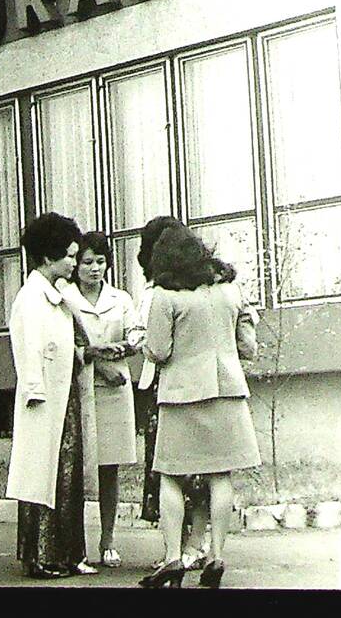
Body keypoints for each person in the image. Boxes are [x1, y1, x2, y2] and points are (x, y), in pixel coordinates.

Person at [138, 225, 261, 589]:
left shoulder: (165, 296)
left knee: (171, 478)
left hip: (181, 395)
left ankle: (173, 558)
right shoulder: (228, 290)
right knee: (220, 477)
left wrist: (144, 345)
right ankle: (216, 556)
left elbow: (159, 351)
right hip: (227, 390)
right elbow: (247, 344)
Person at [6, 213, 99, 579]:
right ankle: (40, 556)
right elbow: (27, 349)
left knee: (68, 475)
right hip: (43, 401)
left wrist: (94, 352)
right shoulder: (31, 298)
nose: (75, 263)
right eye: (71, 256)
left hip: (64, 397)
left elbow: (66, 345)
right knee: (43, 476)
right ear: (48, 257)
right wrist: (33, 390)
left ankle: (68, 552)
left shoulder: (56, 297)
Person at [130, 216, 211, 571]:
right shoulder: (150, 293)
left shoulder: (200, 290)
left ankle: (196, 542)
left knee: (195, 467)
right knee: (167, 469)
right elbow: (136, 331)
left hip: (186, 385)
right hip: (160, 388)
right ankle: (176, 547)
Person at [57, 231, 138, 569]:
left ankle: (108, 539)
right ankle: (76, 544)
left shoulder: (120, 298)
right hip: (79, 386)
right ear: (75, 265)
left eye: (100, 261)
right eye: (87, 262)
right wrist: (98, 364)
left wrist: (129, 345)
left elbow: (136, 332)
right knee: (75, 467)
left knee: (109, 467)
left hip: (116, 389)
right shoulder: (65, 297)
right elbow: (66, 344)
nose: (94, 268)